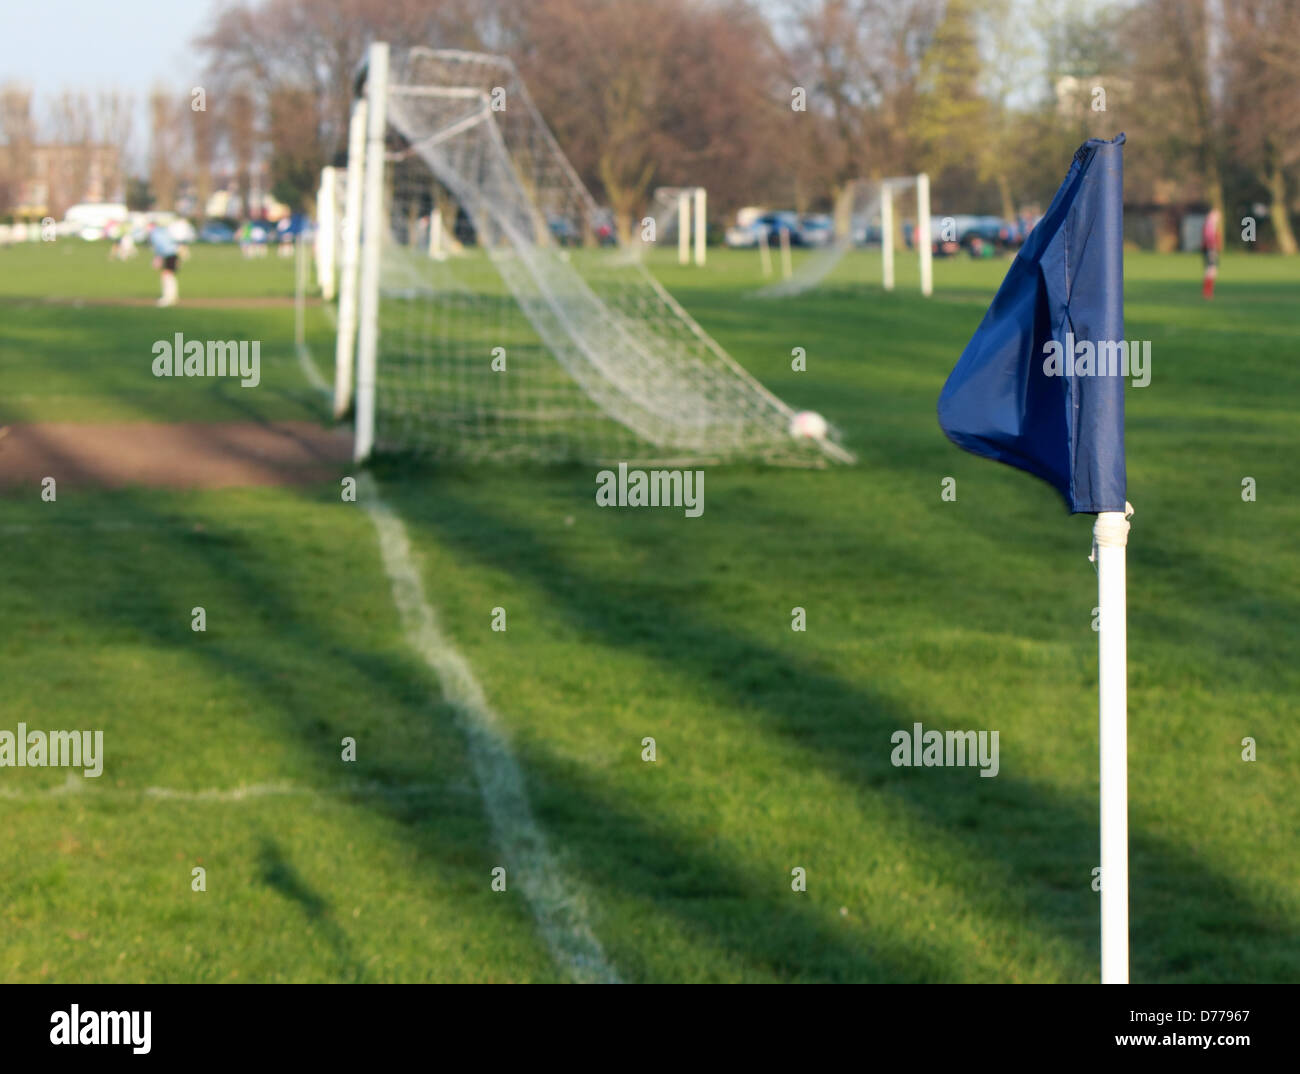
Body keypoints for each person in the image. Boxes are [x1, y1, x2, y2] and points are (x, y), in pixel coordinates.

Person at [149, 221, 183, 307]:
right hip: (173, 253)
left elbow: (160, 246)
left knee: (166, 275)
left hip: (167, 254)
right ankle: (173, 296)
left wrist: (158, 258)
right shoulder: (164, 231)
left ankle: (168, 297)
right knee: (169, 275)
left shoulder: (154, 234)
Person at [1202, 207, 1222, 300]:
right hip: (1211, 250)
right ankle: (1207, 293)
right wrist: (1212, 250)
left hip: (1210, 250)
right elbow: (1210, 238)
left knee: (1211, 270)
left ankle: (1208, 292)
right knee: (1211, 270)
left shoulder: (1210, 224)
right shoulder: (1210, 225)